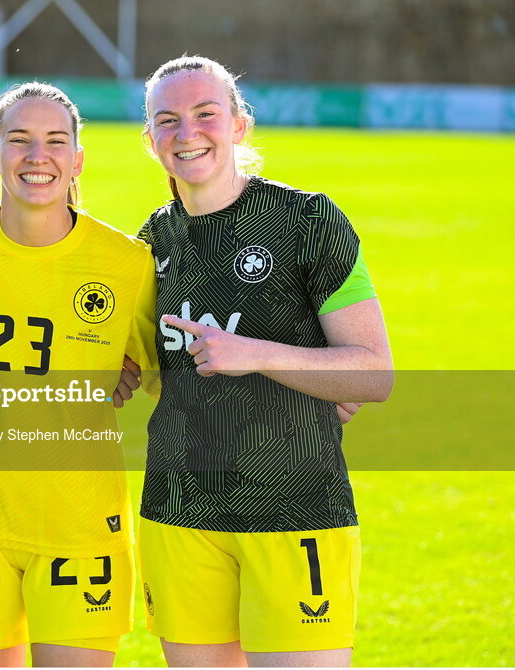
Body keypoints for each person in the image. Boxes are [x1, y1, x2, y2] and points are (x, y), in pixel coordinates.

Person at [134, 55, 394, 667]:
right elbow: (168, 375)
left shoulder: (307, 221)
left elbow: (376, 373)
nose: (187, 134)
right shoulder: (152, 241)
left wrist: (258, 356)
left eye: (205, 115)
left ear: (240, 125)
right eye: (167, 121)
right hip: (179, 511)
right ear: (150, 141)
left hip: (297, 509)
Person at [0, 82, 158, 667]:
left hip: (80, 527)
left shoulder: (128, 263)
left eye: (54, 141)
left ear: (77, 159)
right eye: (18, 140)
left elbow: (162, 374)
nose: (36, 156)